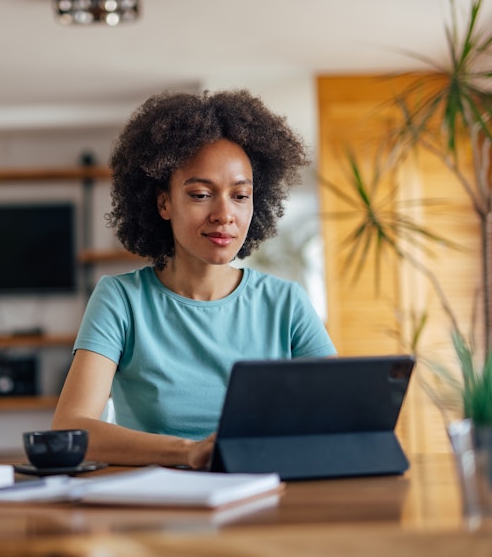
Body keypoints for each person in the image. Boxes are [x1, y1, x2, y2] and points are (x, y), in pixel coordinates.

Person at [52, 89, 336, 470]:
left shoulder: (286, 302)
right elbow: (72, 429)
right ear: (163, 203)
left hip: (269, 497)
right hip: (163, 507)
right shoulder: (121, 299)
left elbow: (340, 417)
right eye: (201, 194)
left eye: (240, 195)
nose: (224, 214)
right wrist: (188, 452)